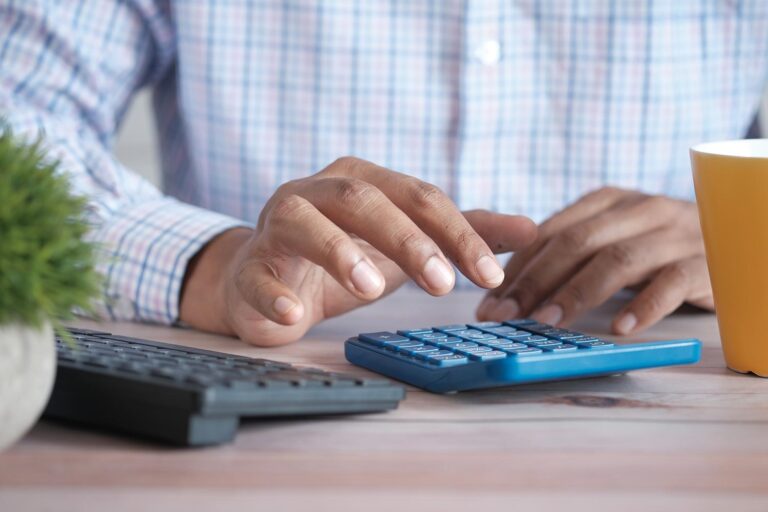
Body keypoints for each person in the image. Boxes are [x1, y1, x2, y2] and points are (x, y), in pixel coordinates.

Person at [3, 1, 763, 346]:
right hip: (265, 415)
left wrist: (750, 233)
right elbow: (15, 126)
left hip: (682, 426)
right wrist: (214, 264)